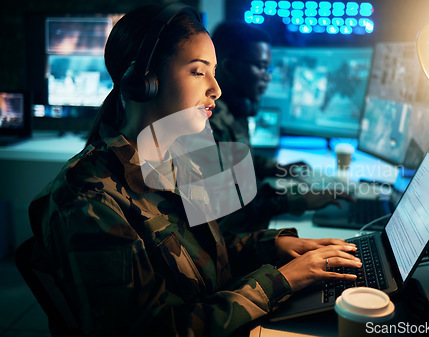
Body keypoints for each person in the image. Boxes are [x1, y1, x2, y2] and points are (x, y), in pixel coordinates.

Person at [28, 4, 361, 337]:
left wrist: (274, 246)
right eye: (198, 71)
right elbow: (153, 331)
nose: (216, 88)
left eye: (214, 71)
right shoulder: (88, 199)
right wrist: (283, 281)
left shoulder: (176, 158)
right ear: (143, 80)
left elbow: (208, 253)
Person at [208, 21, 351, 233]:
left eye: (269, 68)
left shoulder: (234, 110)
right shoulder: (210, 123)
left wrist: (281, 169)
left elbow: (238, 162)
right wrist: (298, 199)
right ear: (229, 67)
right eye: (261, 67)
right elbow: (232, 211)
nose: (267, 77)